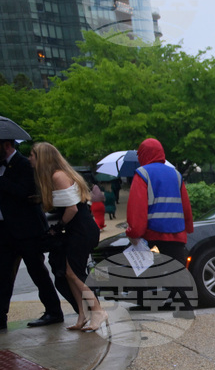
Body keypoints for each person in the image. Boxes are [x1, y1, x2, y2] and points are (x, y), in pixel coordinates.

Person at [30, 143, 107, 332]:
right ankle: (83, 314)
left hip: (81, 230)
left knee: (74, 273)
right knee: (69, 273)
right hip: (79, 229)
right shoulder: (58, 175)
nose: (29, 158)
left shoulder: (58, 176)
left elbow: (72, 209)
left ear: (42, 158)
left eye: (32, 155)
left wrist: (58, 227)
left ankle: (97, 311)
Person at [0, 138, 65, 330]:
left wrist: (2, 181)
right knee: (3, 274)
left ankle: (53, 311)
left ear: (6, 145)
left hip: (26, 229)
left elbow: (25, 192)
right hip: (4, 230)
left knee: (37, 271)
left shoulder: (25, 164)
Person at [126, 138, 194, 264]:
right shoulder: (176, 174)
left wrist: (133, 232)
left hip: (153, 239)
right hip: (177, 238)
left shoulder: (143, 174)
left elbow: (137, 209)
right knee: (177, 274)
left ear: (143, 155)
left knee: (154, 274)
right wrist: (188, 228)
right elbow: (186, 207)